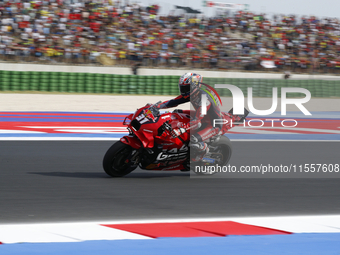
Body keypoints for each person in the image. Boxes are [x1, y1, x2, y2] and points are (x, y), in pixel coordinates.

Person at [149, 72, 223, 161]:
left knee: (193, 139)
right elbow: (173, 102)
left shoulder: (204, 99)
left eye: (187, 88)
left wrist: (181, 130)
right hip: (202, 116)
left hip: (212, 123)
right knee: (176, 113)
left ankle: (203, 152)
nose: (184, 91)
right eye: (182, 88)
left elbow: (197, 121)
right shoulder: (192, 94)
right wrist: (156, 106)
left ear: (195, 86)